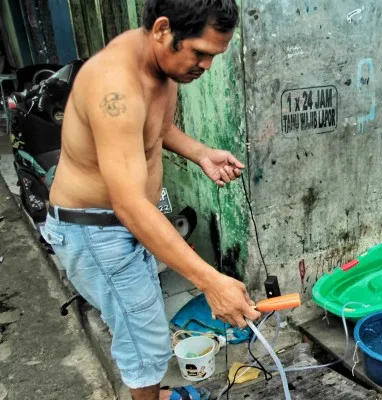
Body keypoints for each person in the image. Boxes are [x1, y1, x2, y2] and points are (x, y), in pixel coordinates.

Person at [39, 1, 261, 399]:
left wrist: (200, 153)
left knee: (145, 323)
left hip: (124, 222)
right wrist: (210, 281)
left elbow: (155, 128)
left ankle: (154, 394)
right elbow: (129, 204)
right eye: (201, 53)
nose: (206, 66)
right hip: (96, 230)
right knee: (146, 341)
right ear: (162, 29)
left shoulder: (161, 65)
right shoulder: (115, 87)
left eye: (214, 56)